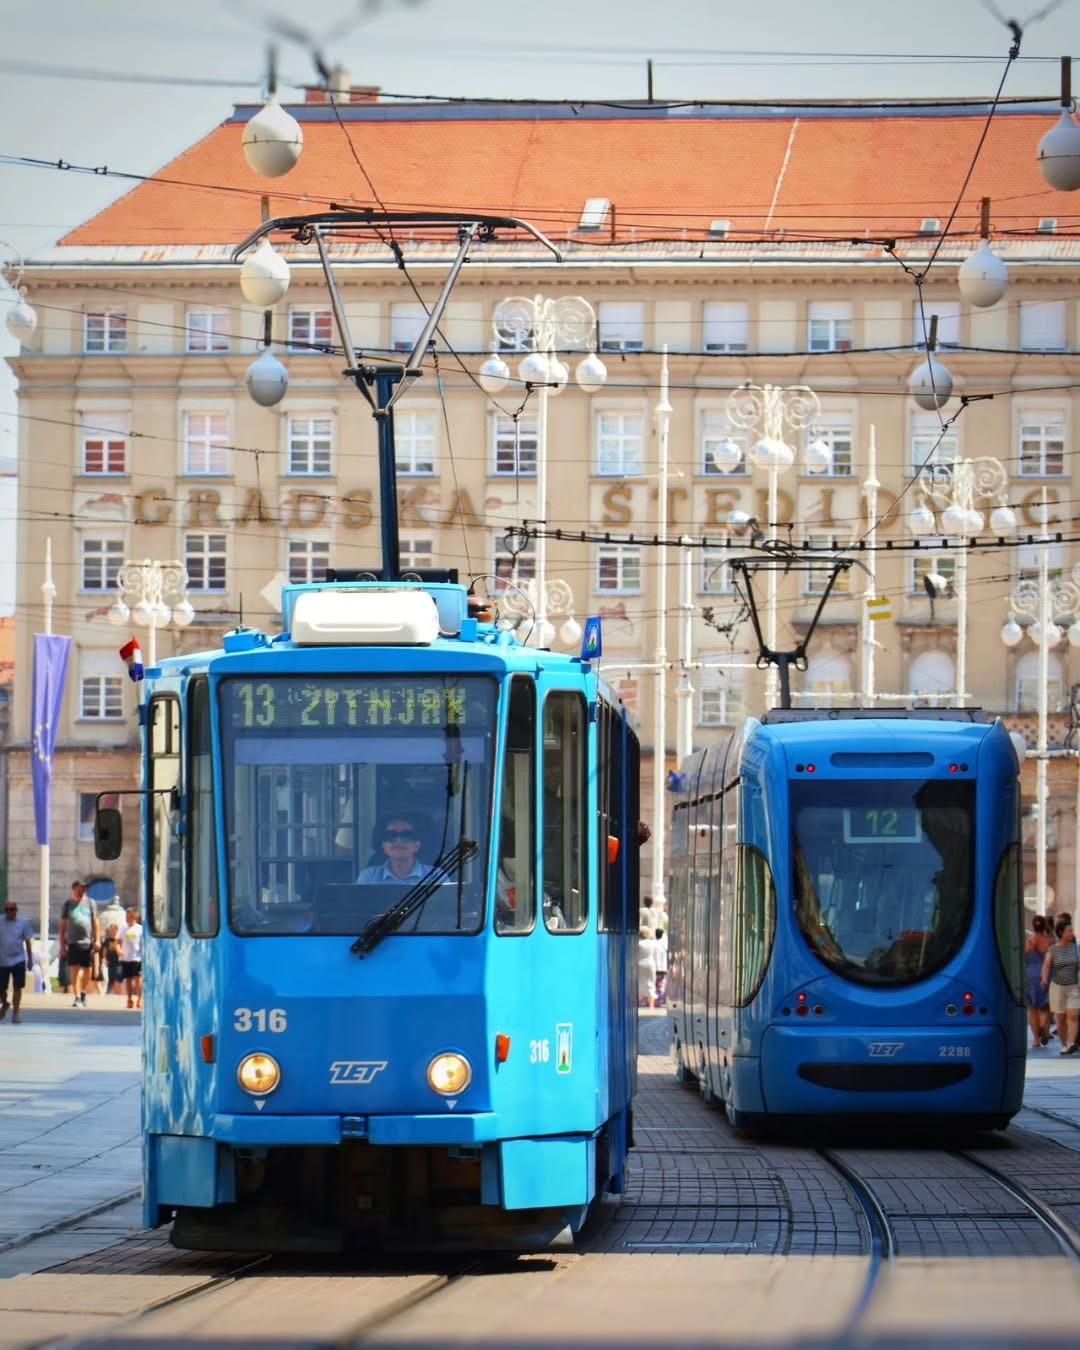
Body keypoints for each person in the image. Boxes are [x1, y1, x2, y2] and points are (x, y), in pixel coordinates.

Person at [356, 814, 433, 885]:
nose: (398, 840)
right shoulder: (368, 877)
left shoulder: (435, 876)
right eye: (391, 835)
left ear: (418, 845)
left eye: (407, 835)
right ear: (383, 846)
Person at [1042, 916, 1080, 1055]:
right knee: (1061, 1017)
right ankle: (1063, 1044)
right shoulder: (1053, 949)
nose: (1072, 933)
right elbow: (1046, 966)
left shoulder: (1076, 948)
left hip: (1073, 986)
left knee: (1074, 1014)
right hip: (1057, 987)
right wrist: (1044, 978)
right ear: (1061, 933)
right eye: (1069, 931)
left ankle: (1071, 1043)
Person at [60, 880, 99, 1008]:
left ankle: (83, 992)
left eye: (85, 887)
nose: (84, 889)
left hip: (87, 941)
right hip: (73, 942)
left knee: (88, 969)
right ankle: (76, 996)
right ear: (75, 888)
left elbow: (95, 922)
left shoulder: (91, 903)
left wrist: (97, 940)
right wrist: (62, 945)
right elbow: (62, 926)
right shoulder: (68, 904)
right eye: (81, 887)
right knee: (74, 969)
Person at [0, 900, 34, 1024]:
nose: (9, 912)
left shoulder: (23, 922)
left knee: (18, 987)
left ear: (16, 910)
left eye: (12, 909)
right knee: (1, 988)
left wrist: (30, 959)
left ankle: (16, 1013)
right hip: (2, 960)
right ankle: (5, 1003)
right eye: (7, 910)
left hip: (18, 959)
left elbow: (28, 941)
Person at [1025, 915, 1053, 1049]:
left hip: (1030, 975)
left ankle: (1036, 1039)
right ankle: (1044, 1028)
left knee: (1032, 1009)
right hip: (1047, 974)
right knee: (1045, 1007)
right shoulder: (1050, 941)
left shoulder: (1029, 942)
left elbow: (1023, 958)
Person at [120, 908, 143, 1010]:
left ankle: (140, 999)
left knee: (138, 979)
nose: (127, 918)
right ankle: (129, 999)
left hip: (137, 957)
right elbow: (117, 941)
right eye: (126, 916)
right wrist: (119, 950)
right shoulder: (123, 928)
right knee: (128, 980)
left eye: (129, 916)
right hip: (126, 958)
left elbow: (144, 943)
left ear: (134, 917)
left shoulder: (140, 929)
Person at [638, 924, 657, 1009]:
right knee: (651, 984)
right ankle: (651, 1005)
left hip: (640, 964)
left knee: (639, 983)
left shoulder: (638, 943)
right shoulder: (653, 943)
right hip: (650, 964)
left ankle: (639, 1003)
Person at [103, 923, 123, 995]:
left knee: (117, 979)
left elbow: (121, 951)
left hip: (119, 963)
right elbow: (105, 951)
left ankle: (118, 994)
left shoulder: (120, 940)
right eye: (111, 931)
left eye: (114, 931)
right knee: (111, 978)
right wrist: (105, 959)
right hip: (110, 962)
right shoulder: (107, 940)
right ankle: (112, 993)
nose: (112, 932)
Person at [654, 926, 669, 1006]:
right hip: (663, 967)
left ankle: (657, 1000)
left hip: (655, 967)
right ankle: (661, 999)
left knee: (656, 984)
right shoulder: (665, 944)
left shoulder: (654, 943)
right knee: (662, 984)